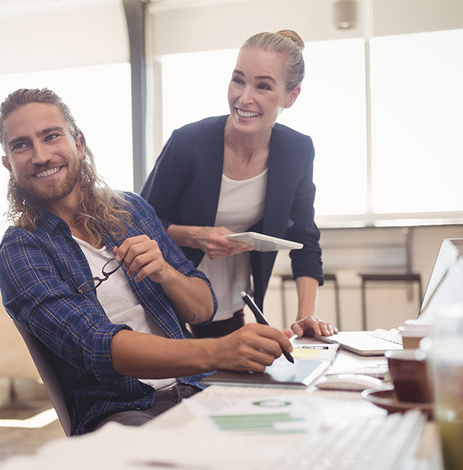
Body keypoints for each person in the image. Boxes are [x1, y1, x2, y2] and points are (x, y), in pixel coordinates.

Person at [0, 88, 294, 435]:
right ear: (8, 164)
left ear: (78, 143)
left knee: (294, 434)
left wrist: (166, 273)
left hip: (198, 390)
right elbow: (97, 346)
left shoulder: (130, 210)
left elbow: (204, 308)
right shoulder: (21, 251)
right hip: (123, 412)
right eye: (22, 145)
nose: (41, 155)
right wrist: (218, 352)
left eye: (51, 136)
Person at [140, 30, 337, 339]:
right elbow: (139, 224)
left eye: (263, 86)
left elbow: (304, 239)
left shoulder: (297, 151)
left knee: (229, 380)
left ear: (291, 95)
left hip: (228, 296)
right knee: (177, 383)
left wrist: (305, 316)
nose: (244, 98)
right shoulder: (188, 142)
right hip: (165, 290)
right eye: (238, 80)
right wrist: (195, 236)